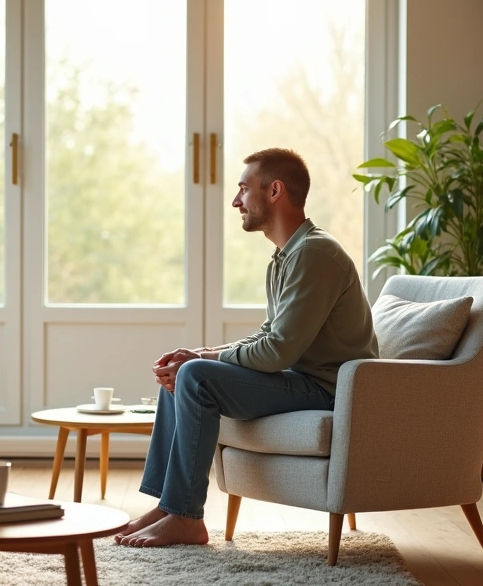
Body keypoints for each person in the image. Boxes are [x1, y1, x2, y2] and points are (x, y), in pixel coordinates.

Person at [116, 148, 378, 547]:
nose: (236, 201)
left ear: (275, 191)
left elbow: (276, 352)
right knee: (184, 369)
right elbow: (268, 335)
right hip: (301, 380)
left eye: (243, 189)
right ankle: (169, 507)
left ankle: (187, 518)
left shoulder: (315, 254)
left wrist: (202, 360)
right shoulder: (286, 256)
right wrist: (197, 353)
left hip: (329, 392)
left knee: (195, 374)